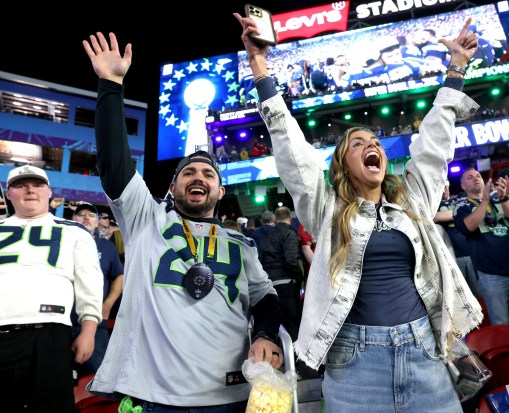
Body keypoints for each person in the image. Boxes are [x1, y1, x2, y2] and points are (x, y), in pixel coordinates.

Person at [236, 14, 482, 412]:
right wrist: (259, 67)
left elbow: (435, 144)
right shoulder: (327, 209)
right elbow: (290, 148)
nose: (373, 146)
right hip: (355, 361)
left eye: (375, 142)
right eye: (358, 143)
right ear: (342, 166)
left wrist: (456, 69)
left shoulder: (413, 199)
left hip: (425, 352)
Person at [83, 31, 283, 412]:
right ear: (173, 186)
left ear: (221, 192)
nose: (198, 178)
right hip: (158, 397)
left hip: (232, 393)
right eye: (189, 172)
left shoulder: (243, 245)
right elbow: (114, 164)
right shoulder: (146, 218)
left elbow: (265, 296)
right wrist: (110, 86)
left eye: (209, 175)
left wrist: (267, 333)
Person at [0, 164, 103, 412]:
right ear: (9, 193)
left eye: (37, 185)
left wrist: (89, 330)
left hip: (51, 333)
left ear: (49, 192)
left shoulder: (75, 231)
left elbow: (90, 282)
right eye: (21, 185)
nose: (30, 190)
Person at [453, 168, 509, 328]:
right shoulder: (461, 205)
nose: (476, 178)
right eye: (470, 177)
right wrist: (484, 201)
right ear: (463, 186)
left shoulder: (500, 199)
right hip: (491, 273)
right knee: (500, 322)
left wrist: (503, 197)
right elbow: (467, 228)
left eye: (478, 176)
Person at [71, 201, 124, 377]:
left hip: (95, 320)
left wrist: (107, 305)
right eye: (81, 214)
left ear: (96, 222)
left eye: (91, 215)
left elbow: (119, 276)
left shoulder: (106, 246)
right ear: (72, 219)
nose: (86, 217)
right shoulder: (61, 242)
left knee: (95, 375)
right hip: (61, 321)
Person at [260, 206, 304, 342]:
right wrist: (299, 277)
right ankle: (298, 360)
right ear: (290, 218)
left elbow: (261, 261)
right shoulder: (289, 234)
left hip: (271, 285)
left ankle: (286, 359)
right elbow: (291, 260)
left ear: (275, 219)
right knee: (293, 326)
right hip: (287, 285)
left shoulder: (266, 237)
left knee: (281, 326)